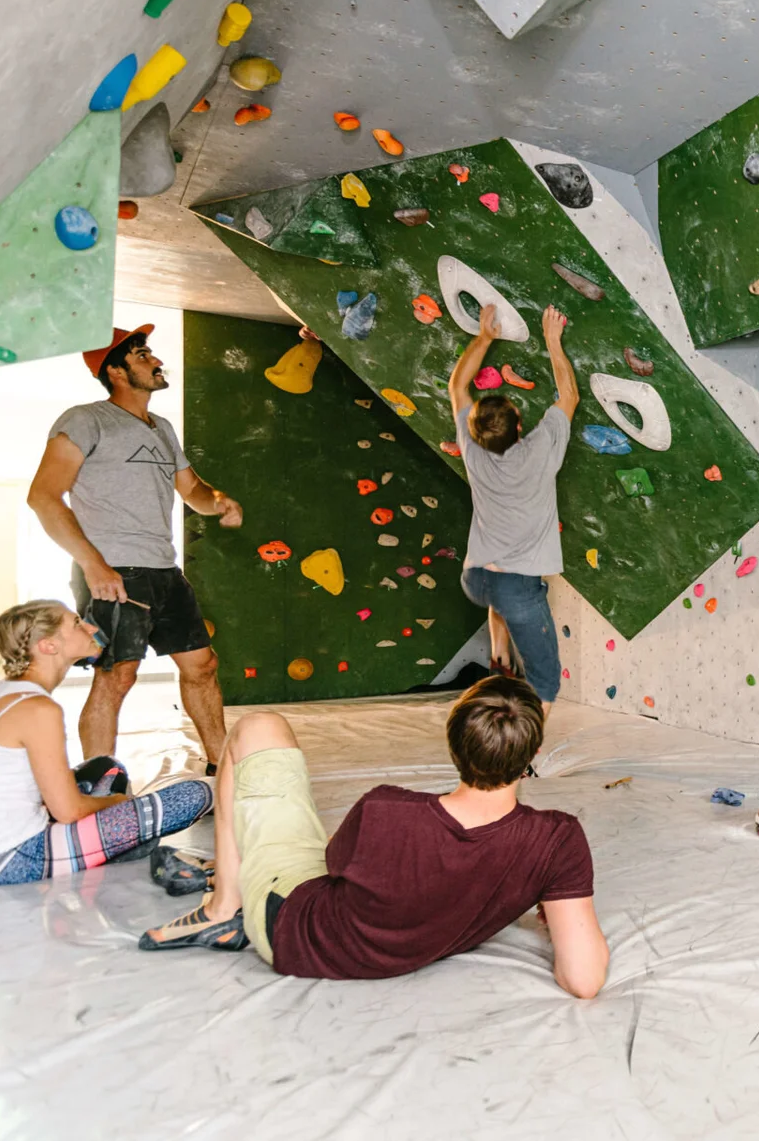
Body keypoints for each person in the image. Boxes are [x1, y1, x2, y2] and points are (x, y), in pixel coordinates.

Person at [141, 675, 610, 998]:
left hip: (290, 931)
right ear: (535, 751)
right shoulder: (557, 841)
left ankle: (223, 908)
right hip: (349, 942)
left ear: (453, 742)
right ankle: (227, 881)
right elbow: (584, 980)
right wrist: (549, 898)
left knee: (256, 728)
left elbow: (330, 868)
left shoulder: (386, 811)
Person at [26, 324, 243, 765]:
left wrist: (218, 501)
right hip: (115, 572)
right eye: (143, 355)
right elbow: (43, 497)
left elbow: (193, 490)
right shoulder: (85, 420)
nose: (156, 361)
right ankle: (100, 777)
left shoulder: (162, 428)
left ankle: (223, 767)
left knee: (202, 667)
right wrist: (93, 565)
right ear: (116, 371)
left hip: (164, 570)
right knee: (118, 675)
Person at [0, 600, 212, 885]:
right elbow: (68, 811)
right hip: (16, 857)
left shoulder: (7, 693)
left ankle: (111, 843)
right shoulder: (39, 709)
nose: (89, 628)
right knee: (197, 795)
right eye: (76, 623)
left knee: (106, 768)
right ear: (49, 646)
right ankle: (112, 842)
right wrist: (119, 803)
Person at [449, 304, 579, 715]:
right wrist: (553, 341)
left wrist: (484, 337)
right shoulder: (540, 451)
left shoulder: (472, 449)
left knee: (499, 596)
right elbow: (569, 396)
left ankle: (500, 656)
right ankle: (527, 743)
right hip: (516, 587)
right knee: (545, 680)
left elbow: (457, 387)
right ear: (520, 428)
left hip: (476, 579)